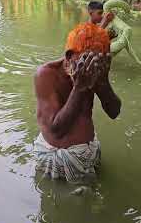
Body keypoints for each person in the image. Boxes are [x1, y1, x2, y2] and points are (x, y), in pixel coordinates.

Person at [33, 23, 122, 183]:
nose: (90, 68)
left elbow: (114, 112)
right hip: (57, 156)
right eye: (84, 61)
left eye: (96, 62)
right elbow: (56, 130)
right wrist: (79, 87)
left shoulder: (95, 69)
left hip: (88, 152)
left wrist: (103, 83)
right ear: (68, 56)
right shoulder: (46, 75)